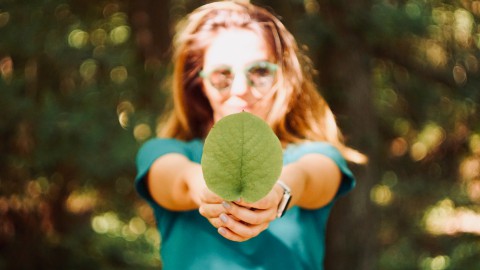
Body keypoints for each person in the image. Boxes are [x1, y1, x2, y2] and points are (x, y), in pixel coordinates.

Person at [135, 1, 366, 269]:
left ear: (283, 76)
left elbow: (308, 177)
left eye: (259, 71)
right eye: (223, 74)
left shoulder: (316, 154)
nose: (241, 88)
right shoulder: (163, 152)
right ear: (200, 83)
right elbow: (179, 180)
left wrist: (279, 192)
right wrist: (206, 189)